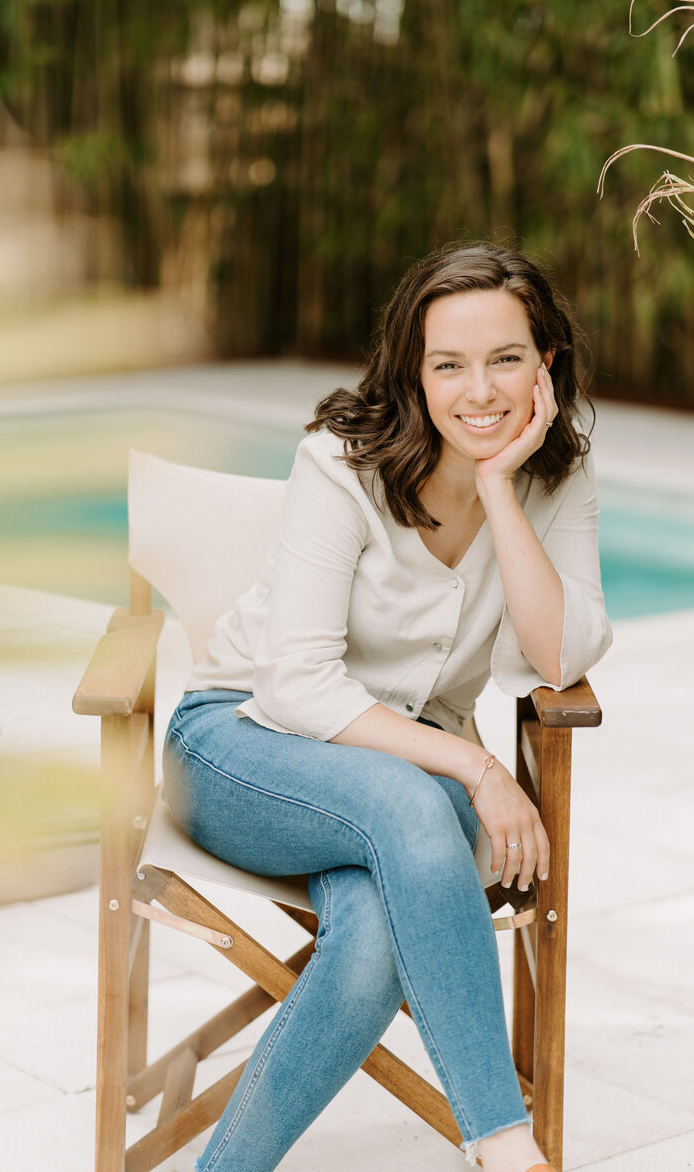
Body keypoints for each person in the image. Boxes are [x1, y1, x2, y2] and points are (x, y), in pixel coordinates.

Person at [162, 243, 612, 1172]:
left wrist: (499, 486)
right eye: (448, 363)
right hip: (240, 748)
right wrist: (481, 767)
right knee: (415, 805)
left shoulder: (556, 476)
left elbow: (559, 654)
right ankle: (505, 1142)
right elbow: (298, 685)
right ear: (413, 369)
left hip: (406, 782)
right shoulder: (343, 462)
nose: (478, 391)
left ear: (547, 363)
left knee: (371, 936)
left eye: (505, 358)